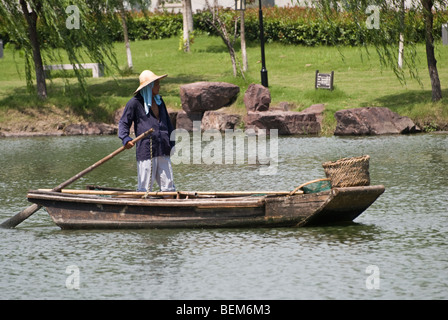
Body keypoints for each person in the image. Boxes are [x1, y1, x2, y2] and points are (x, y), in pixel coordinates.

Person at [118, 70, 175, 193]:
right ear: (149, 86)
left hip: (163, 148)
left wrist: (173, 142)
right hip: (146, 150)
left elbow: (168, 124)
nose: (159, 86)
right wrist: (126, 139)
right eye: (157, 84)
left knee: (168, 186)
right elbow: (123, 123)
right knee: (145, 188)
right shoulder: (134, 103)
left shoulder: (160, 101)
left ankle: (169, 206)